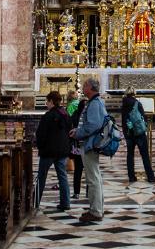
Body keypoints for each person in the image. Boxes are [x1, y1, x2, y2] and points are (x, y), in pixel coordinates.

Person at [71, 75, 107, 224]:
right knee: (95, 178)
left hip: (90, 144)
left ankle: (96, 211)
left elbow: (92, 125)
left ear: (91, 88)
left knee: (92, 179)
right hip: (91, 143)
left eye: (85, 85)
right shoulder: (96, 102)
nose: (82, 88)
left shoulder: (94, 104)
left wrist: (78, 133)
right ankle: (96, 208)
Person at [34, 91, 72, 211]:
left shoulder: (48, 116)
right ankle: (66, 202)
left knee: (41, 177)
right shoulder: (65, 114)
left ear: (51, 101)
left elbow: (41, 134)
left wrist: (39, 146)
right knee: (62, 176)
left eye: (47, 101)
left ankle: (35, 203)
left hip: (48, 151)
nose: (46, 103)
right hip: (62, 150)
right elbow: (69, 130)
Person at [121, 89, 155, 191]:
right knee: (145, 155)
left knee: (130, 154)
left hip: (128, 132)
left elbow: (123, 119)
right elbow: (143, 117)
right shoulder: (137, 103)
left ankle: (131, 176)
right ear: (134, 93)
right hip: (139, 132)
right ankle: (150, 176)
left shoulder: (123, 103)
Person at [66, 89, 86, 200]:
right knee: (88, 171)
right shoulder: (87, 116)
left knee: (78, 170)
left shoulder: (74, 114)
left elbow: (69, 126)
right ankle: (88, 192)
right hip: (87, 147)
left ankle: (77, 193)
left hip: (77, 146)